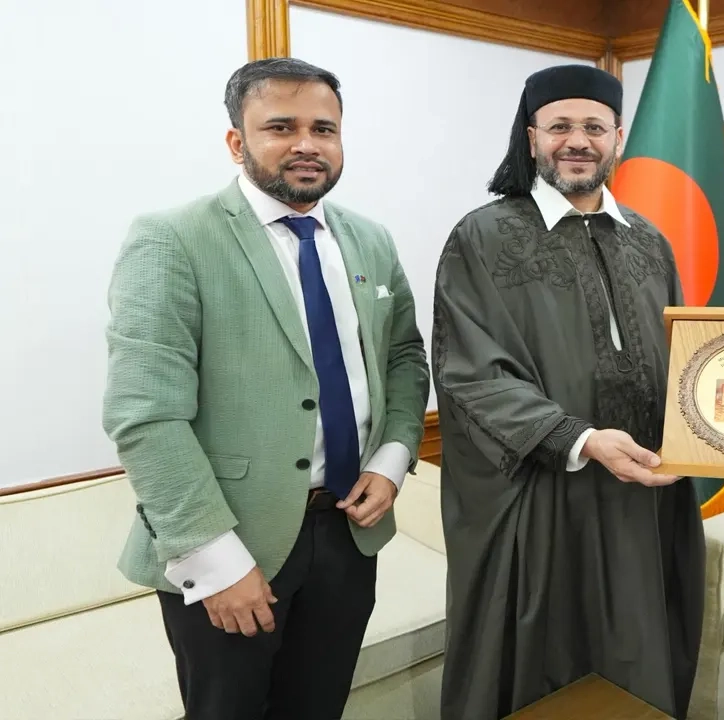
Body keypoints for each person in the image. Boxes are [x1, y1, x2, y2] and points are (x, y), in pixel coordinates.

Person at [102, 57, 429, 719]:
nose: (307, 144)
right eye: (281, 127)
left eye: (323, 129)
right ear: (237, 141)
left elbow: (403, 358)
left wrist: (393, 460)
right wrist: (214, 560)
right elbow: (145, 416)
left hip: (349, 532)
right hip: (233, 538)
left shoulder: (370, 240)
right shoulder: (172, 239)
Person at [430, 64, 705, 719]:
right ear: (531, 138)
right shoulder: (483, 237)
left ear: (618, 138)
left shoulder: (650, 240)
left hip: (643, 492)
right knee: (540, 665)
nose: (577, 141)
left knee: (640, 650)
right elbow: (469, 372)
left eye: (593, 127)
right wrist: (578, 440)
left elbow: (685, 360)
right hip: (542, 494)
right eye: (559, 126)